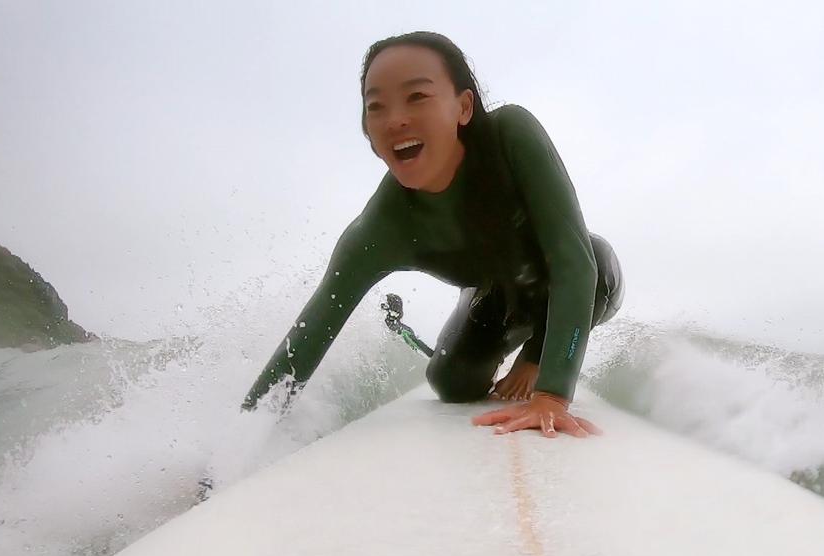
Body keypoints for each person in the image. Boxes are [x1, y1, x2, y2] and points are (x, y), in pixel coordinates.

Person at [241, 31, 625, 439]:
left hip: (575, 273)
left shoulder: (510, 136)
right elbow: (308, 338)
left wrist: (551, 394)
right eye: (376, 107)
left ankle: (536, 353)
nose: (395, 120)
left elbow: (573, 261)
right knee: (452, 383)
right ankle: (496, 330)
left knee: (597, 261)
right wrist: (234, 449)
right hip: (496, 295)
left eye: (417, 97)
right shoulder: (379, 231)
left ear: (463, 107)